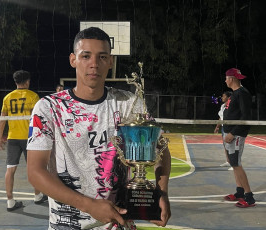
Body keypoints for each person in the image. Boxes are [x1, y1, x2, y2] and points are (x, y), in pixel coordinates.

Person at [26, 27, 171, 229]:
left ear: (110, 61)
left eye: (102, 57)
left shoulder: (128, 103)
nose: (94, 64)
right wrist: (89, 205)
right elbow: (35, 172)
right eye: (85, 56)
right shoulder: (48, 108)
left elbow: (160, 149)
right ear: (73, 60)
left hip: (119, 224)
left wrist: (161, 192)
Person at [0, 70, 46, 212]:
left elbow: (2, 119)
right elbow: (38, 119)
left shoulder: (7, 97)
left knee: (10, 169)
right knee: (34, 168)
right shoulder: (33, 96)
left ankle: (10, 202)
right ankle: (37, 196)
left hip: (12, 138)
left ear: (15, 82)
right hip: (29, 138)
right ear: (27, 81)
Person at [222, 68, 255, 208]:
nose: (225, 80)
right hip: (230, 133)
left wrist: (233, 133)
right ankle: (240, 192)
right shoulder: (235, 93)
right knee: (233, 163)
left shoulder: (242, 94)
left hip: (236, 135)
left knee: (236, 163)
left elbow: (246, 117)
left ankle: (249, 197)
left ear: (232, 79)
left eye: (226, 78)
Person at [213, 91, 232, 169]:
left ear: (228, 97)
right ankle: (228, 161)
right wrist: (217, 127)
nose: (222, 97)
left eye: (223, 96)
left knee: (231, 146)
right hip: (224, 127)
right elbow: (221, 117)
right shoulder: (222, 106)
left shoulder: (231, 106)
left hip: (230, 127)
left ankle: (234, 164)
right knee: (225, 145)